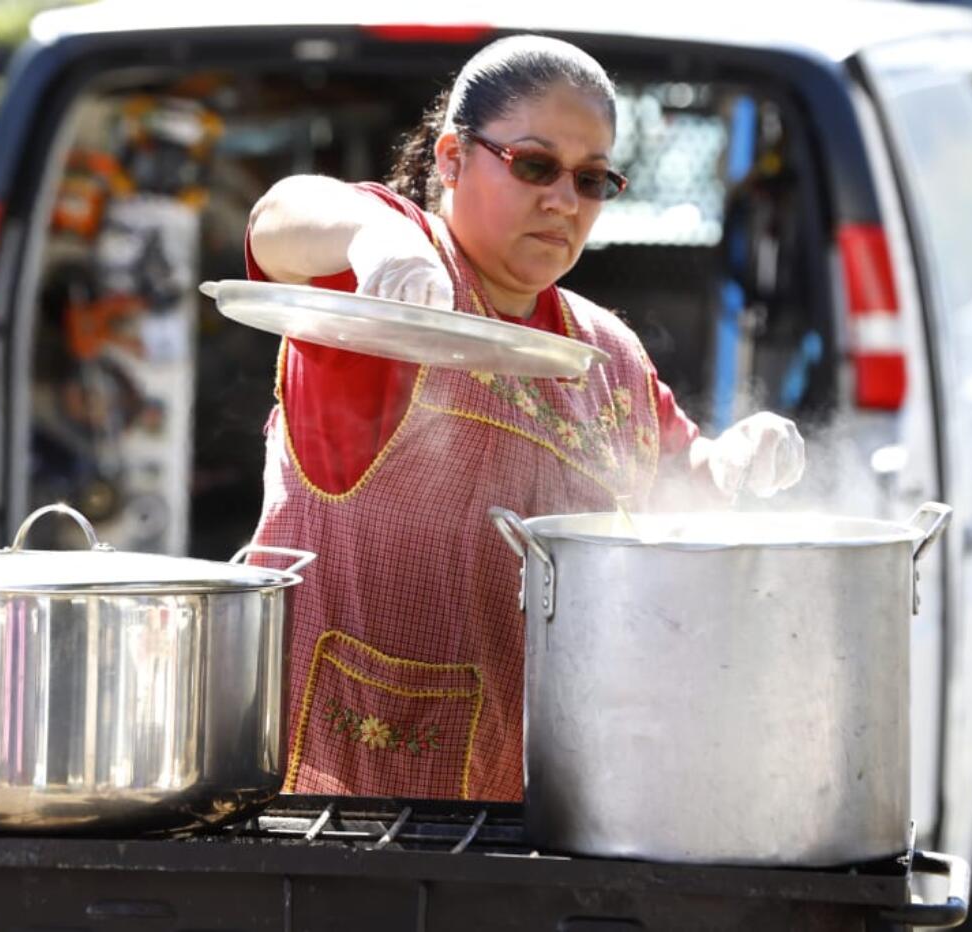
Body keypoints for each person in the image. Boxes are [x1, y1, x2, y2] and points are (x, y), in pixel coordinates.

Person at [244, 35, 804, 802]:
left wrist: (739, 458)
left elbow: (679, 489)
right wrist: (378, 240)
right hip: (333, 810)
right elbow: (280, 219)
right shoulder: (385, 292)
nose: (564, 202)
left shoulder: (607, 352)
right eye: (535, 166)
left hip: (524, 814)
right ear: (450, 158)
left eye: (592, 180)